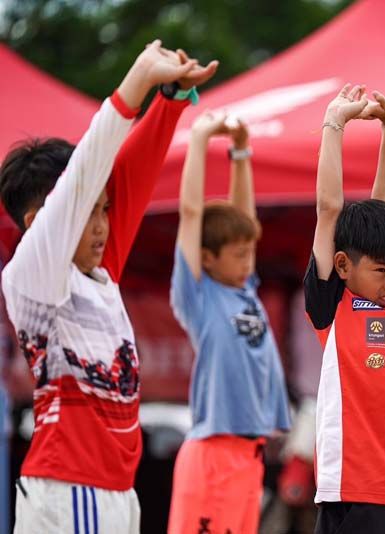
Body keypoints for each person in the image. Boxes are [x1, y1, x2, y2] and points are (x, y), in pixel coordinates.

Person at [0, 40, 216, 533]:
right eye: (87, 212)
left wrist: (168, 100)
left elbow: (130, 177)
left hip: (113, 491)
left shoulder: (98, 272)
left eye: (105, 210)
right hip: (72, 488)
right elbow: (86, 171)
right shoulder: (33, 277)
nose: (102, 226)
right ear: (38, 223)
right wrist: (135, 83)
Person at [304, 84, 385, 534]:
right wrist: (334, 124)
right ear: (342, 265)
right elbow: (328, 208)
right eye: (381, 271)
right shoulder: (333, 305)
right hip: (357, 493)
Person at [166, 112, 291, 534]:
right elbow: (189, 214)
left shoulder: (245, 290)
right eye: (238, 255)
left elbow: (244, 218)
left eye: (250, 253)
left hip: (249, 454)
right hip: (213, 454)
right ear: (207, 258)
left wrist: (241, 151)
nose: (247, 262)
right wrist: (200, 139)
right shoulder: (199, 297)